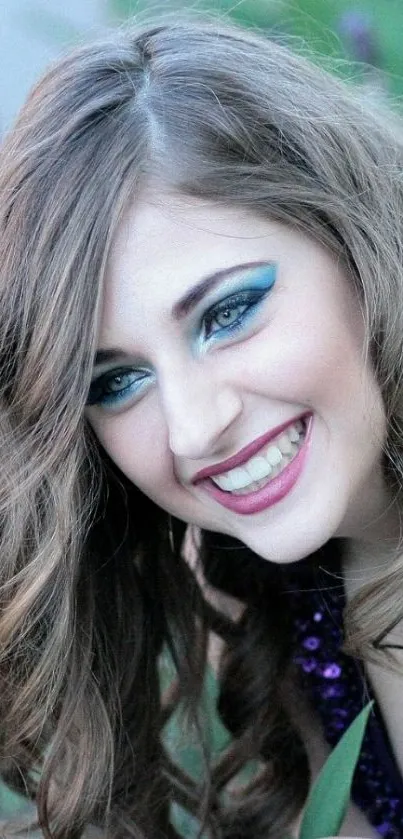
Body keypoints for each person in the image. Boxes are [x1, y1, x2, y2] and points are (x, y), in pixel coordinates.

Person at [0, 12, 402, 839]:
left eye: (229, 311)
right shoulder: (259, 565)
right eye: (117, 380)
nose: (192, 429)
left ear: (354, 240)